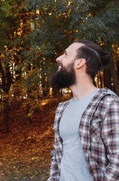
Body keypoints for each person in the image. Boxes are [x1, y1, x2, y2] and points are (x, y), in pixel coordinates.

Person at [48, 40, 119, 181]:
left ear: (79, 63)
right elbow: (58, 157)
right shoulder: (62, 109)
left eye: (66, 54)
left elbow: (117, 162)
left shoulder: (107, 103)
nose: (58, 58)